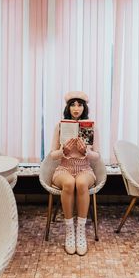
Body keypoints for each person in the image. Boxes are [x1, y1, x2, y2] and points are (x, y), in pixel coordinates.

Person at [50, 91, 100, 256]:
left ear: (84, 107)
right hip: (64, 168)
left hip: (84, 169)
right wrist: (63, 150)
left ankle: (81, 231)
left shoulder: (91, 126)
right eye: (73, 104)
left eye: (79, 105)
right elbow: (52, 155)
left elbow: (97, 156)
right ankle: (69, 231)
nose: (76, 108)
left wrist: (85, 150)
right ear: (68, 107)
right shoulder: (60, 126)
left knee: (80, 183)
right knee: (70, 183)